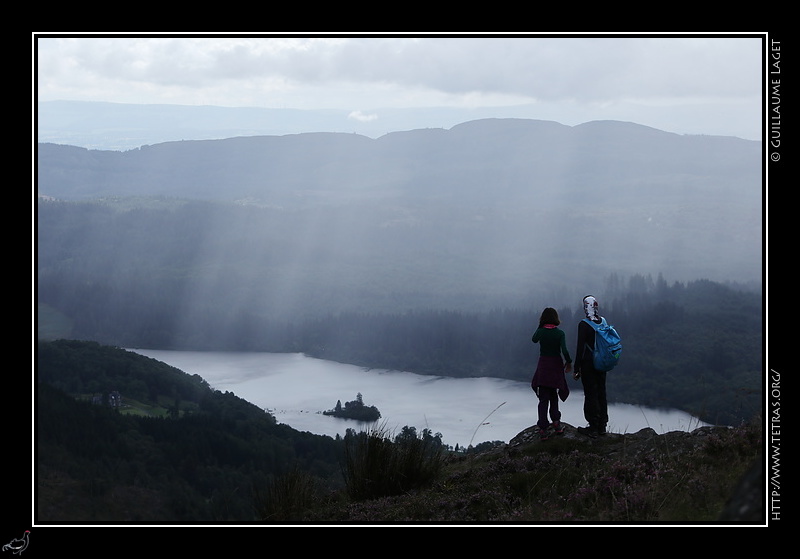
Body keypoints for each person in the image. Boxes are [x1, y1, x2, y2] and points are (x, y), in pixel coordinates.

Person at [531, 307, 572, 440]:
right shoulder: (560, 333)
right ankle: (556, 423)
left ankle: (543, 428)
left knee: (543, 398)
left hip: (544, 365)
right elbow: (564, 350)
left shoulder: (541, 332)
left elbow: (534, 339)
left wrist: (540, 326)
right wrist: (569, 362)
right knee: (554, 394)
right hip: (555, 365)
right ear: (556, 318)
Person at [573, 295, 609, 438]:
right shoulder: (603, 321)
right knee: (601, 392)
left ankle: (592, 426)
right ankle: (602, 425)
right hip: (602, 362)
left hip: (588, 363)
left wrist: (576, 368)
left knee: (590, 394)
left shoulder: (584, 325)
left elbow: (580, 348)